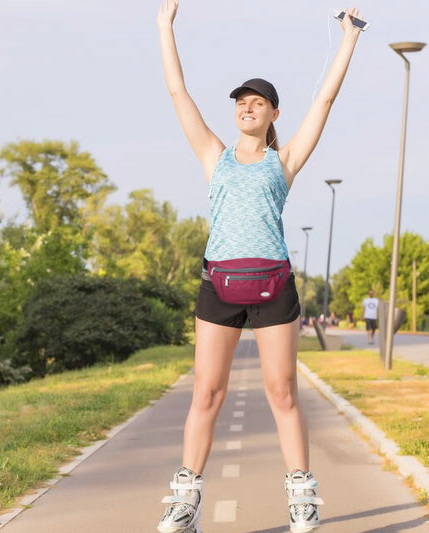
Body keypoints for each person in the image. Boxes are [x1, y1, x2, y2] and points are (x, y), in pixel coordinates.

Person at [156, 2, 363, 532]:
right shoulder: (213, 155)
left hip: (273, 286)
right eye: (241, 102)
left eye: (258, 102)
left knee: (282, 391)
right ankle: (185, 505)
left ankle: (302, 503)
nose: (247, 107)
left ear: (274, 113)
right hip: (218, 284)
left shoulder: (284, 161)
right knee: (206, 392)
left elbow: (326, 98)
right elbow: (179, 94)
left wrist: (348, 40)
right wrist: (165, 25)